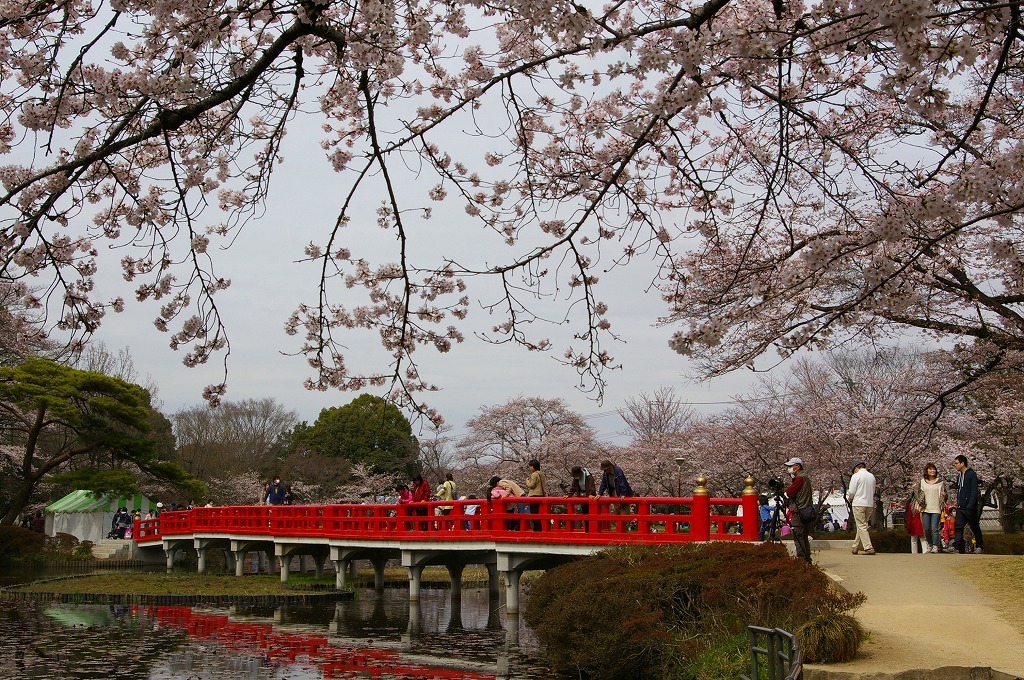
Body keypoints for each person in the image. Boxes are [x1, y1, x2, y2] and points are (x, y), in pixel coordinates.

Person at [783, 457, 814, 563]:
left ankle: (802, 560)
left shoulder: (800, 478)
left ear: (797, 467)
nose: (790, 469)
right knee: (804, 536)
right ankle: (807, 558)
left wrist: (790, 485)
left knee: (798, 536)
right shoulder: (805, 478)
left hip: (799, 511)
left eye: (791, 466)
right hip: (806, 510)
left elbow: (790, 492)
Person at [953, 454, 984, 554]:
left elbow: (973, 491)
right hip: (960, 507)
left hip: (969, 507)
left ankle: (979, 546)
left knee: (974, 526)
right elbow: (959, 490)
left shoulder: (971, 474)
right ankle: (957, 546)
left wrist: (970, 505)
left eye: (956, 463)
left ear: (962, 463)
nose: (955, 465)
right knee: (958, 527)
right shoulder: (959, 476)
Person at [914, 462, 948, 554]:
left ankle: (935, 546)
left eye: (934, 469)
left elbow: (945, 495)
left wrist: (944, 496)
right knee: (926, 528)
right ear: (927, 470)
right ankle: (929, 544)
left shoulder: (940, 482)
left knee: (934, 528)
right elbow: (917, 494)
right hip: (925, 508)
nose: (932, 471)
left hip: (936, 508)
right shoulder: (922, 482)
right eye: (930, 469)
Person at [847, 461, 876, 555]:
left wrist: (850, 498)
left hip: (859, 503)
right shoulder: (872, 476)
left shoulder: (856, 476)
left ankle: (868, 547)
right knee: (862, 525)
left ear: (856, 468)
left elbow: (851, 491)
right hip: (869, 503)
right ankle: (855, 546)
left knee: (861, 526)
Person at [567, 465, 596, 531]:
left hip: (589, 497)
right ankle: (587, 530)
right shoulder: (575, 478)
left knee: (591, 514)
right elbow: (573, 487)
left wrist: (591, 494)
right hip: (582, 497)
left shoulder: (588, 477)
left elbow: (592, 487)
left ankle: (592, 530)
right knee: (585, 514)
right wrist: (569, 495)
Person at [525, 459, 547, 531]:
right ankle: (539, 528)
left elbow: (531, 485)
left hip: (534, 495)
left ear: (533, 467)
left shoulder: (534, 474)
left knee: (534, 513)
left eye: (530, 466)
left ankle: (537, 529)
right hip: (541, 495)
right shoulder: (541, 474)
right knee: (537, 512)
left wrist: (527, 481)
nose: (530, 468)